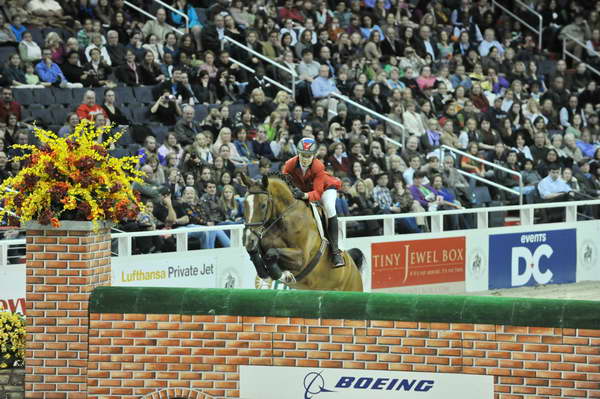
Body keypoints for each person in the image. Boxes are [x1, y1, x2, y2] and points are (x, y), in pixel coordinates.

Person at [282, 137, 345, 267]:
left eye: (309, 155)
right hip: (306, 189)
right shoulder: (289, 164)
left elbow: (317, 194)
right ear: (298, 153)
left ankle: (335, 252)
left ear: (314, 155)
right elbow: (284, 181)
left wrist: (303, 195)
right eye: (303, 155)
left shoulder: (318, 166)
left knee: (329, 207)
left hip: (326, 188)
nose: (305, 158)